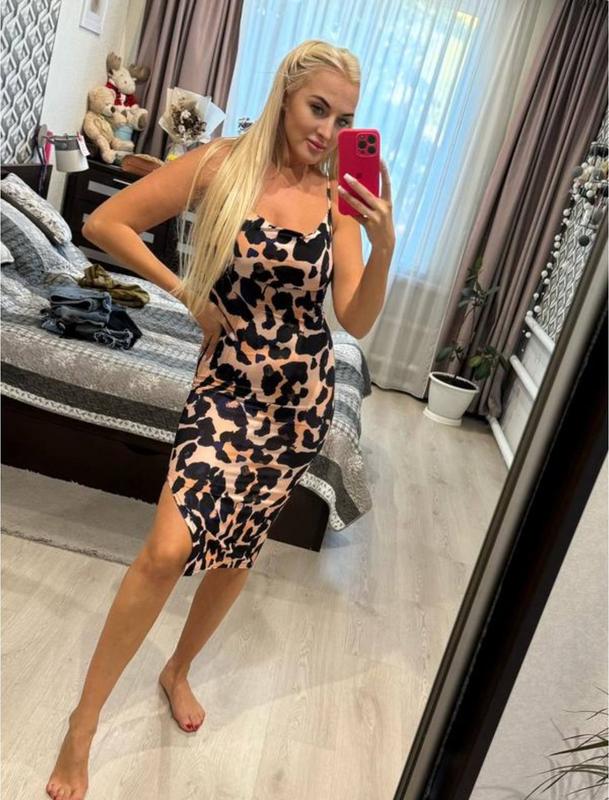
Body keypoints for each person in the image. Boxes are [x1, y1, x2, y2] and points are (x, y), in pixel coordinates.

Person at [45, 38, 395, 800]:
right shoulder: (222, 165)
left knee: (238, 550)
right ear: (285, 94)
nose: (327, 131)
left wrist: (384, 245)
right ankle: (83, 723)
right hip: (227, 389)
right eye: (318, 109)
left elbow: (355, 318)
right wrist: (186, 294)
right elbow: (107, 222)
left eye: (344, 120)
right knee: (166, 550)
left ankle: (178, 669)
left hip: (298, 404)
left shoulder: (338, 200)